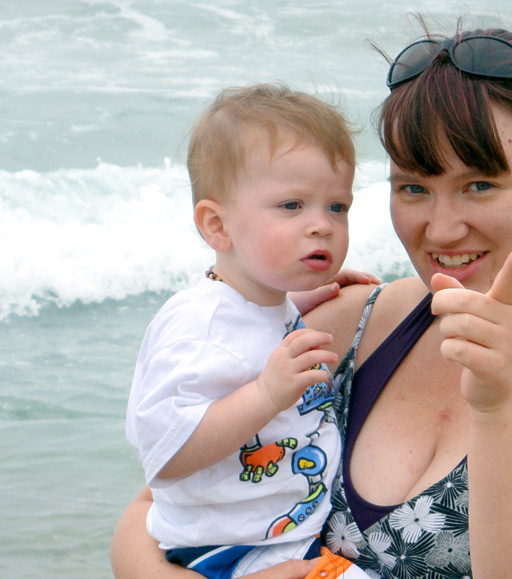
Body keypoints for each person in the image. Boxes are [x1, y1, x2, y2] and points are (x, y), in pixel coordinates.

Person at [113, 24, 512, 579]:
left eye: (479, 184)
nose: (442, 228)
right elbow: (160, 505)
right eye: (414, 188)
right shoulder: (349, 323)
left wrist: (500, 402)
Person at [125, 83, 372, 579]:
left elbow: (248, 329)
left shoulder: (260, 304)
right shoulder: (197, 325)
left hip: (275, 535)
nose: (321, 225)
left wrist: (300, 298)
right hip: (228, 547)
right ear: (218, 226)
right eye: (291, 206)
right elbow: (165, 453)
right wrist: (266, 393)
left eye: (336, 207)